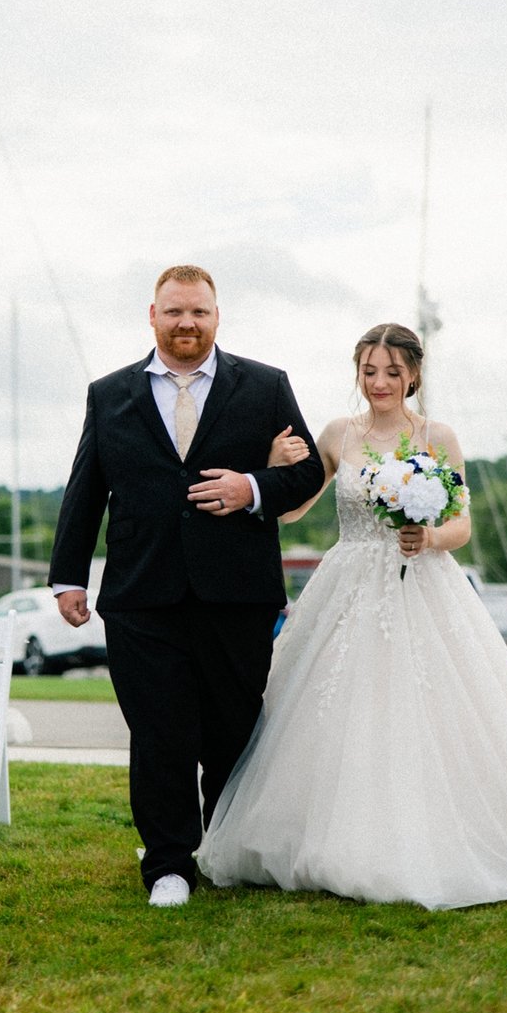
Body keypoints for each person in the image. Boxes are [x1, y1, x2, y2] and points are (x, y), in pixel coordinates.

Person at [195, 322, 507, 909]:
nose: (380, 383)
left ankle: (423, 837)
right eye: (369, 372)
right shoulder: (339, 434)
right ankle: (324, 836)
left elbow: (463, 524)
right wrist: (271, 461)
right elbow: (292, 512)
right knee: (330, 711)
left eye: (393, 372)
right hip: (346, 586)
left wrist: (430, 536)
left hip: (420, 585)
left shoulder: (437, 436)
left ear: (414, 374)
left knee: (422, 712)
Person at [44, 265, 325, 908]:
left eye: (198, 312)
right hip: (142, 593)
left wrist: (250, 487)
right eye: (174, 312)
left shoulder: (264, 386)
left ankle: (227, 848)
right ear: (153, 315)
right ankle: (169, 864)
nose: (186, 324)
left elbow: (307, 473)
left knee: (233, 729)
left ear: (217, 316)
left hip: (238, 593)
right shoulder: (108, 393)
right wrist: (67, 576)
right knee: (160, 732)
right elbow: (85, 490)